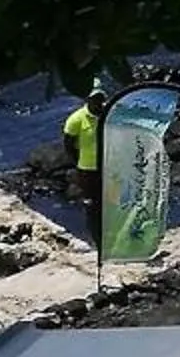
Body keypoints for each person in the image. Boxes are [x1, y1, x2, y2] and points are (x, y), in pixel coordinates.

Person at [63, 89, 110, 248]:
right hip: (88, 170)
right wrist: (79, 163)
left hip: (109, 168)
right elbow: (69, 145)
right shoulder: (76, 120)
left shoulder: (109, 115)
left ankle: (112, 238)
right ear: (87, 99)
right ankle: (98, 243)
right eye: (95, 98)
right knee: (92, 207)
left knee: (112, 202)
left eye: (101, 98)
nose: (99, 102)